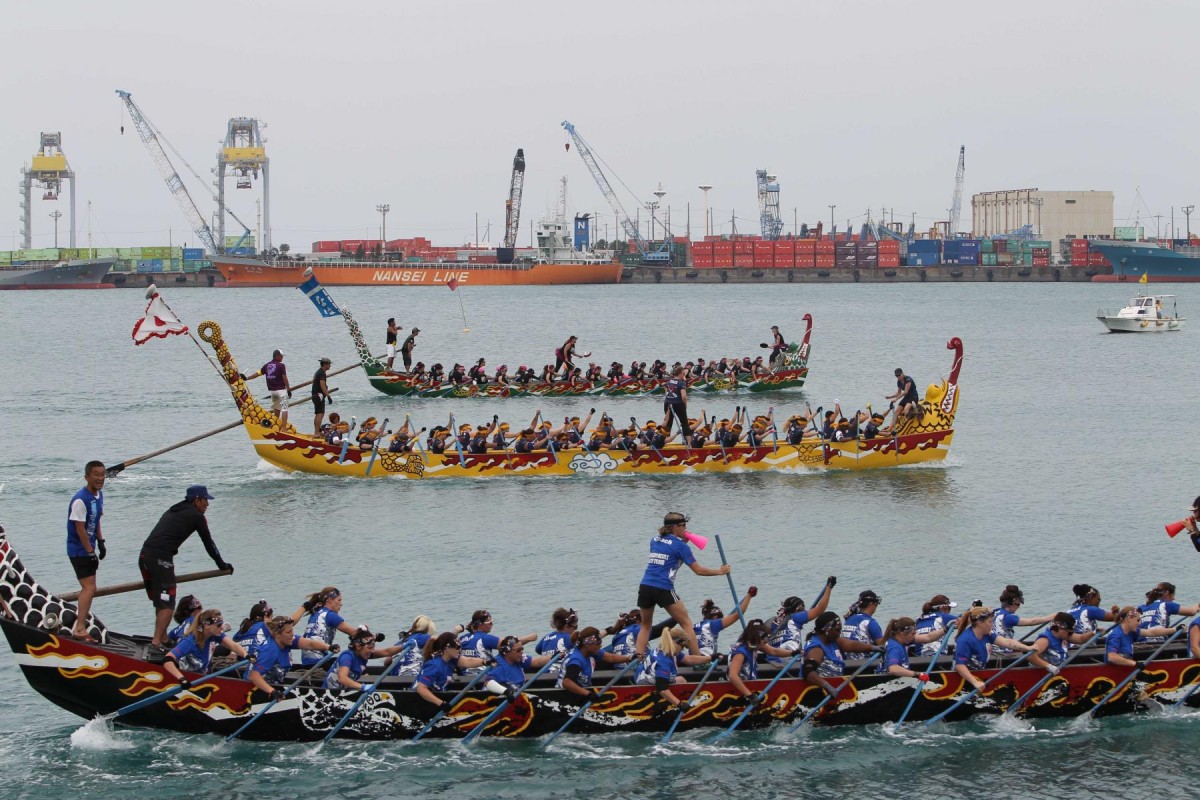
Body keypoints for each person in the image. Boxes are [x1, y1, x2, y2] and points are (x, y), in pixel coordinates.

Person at [141, 486, 232, 650]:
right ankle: (156, 643)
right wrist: (222, 564)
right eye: (205, 500)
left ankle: (162, 637)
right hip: (161, 558)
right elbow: (208, 543)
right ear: (197, 500)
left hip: (145, 555)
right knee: (168, 603)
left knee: (161, 601)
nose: (208, 505)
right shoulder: (196, 515)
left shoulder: (176, 508)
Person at [633, 512, 731, 659]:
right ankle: (699, 659)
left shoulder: (654, 540)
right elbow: (699, 570)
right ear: (675, 527)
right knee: (686, 623)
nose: (686, 529)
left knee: (646, 626)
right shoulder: (681, 547)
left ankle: (638, 658)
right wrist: (720, 571)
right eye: (683, 526)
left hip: (645, 586)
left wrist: (683, 542)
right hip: (663, 588)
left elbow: (669, 550)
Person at [67, 460, 107, 641]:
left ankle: (80, 625)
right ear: (87, 477)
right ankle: (79, 628)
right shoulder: (80, 500)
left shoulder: (99, 496)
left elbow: (96, 519)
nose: (100, 478)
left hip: (89, 546)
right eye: (96, 475)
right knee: (89, 587)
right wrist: (90, 551)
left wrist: (101, 541)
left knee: (90, 587)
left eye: (102, 474)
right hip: (78, 549)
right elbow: (79, 529)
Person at [249, 616, 336, 698]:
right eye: (288, 632)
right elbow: (254, 676)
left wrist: (328, 647)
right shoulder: (270, 651)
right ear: (277, 634)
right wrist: (272, 692)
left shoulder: (287, 640)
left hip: (276, 684)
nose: (292, 634)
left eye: (292, 631)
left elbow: (310, 644)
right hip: (257, 689)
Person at [953, 606, 1034, 692]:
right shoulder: (965, 639)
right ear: (980, 623)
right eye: (990, 622)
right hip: (964, 681)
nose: (992, 624)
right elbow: (960, 666)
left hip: (979, 675)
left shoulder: (987, 634)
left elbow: (1006, 642)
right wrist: (975, 682)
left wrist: (1028, 648)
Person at [801, 612, 880, 698]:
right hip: (818, 693)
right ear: (827, 630)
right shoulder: (816, 648)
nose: (839, 633)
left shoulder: (834, 640)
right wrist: (827, 686)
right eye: (838, 630)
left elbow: (851, 645)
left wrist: (872, 648)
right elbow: (808, 672)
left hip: (835, 687)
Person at [637, 628, 714, 712]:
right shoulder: (663, 662)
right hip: (648, 687)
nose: (683, 649)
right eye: (683, 646)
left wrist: (710, 658)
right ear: (676, 643)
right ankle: (680, 708)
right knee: (678, 683)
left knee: (681, 680)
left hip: (653, 679)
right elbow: (662, 689)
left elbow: (689, 659)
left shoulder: (667, 650)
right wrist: (680, 704)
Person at [163, 608, 247, 681]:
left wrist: (247, 655)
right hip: (190, 678)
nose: (222, 628)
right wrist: (181, 678)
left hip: (204, 675)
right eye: (218, 625)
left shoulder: (215, 635)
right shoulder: (190, 642)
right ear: (206, 625)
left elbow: (234, 646)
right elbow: (167, 660)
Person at [726, 620, 795, 705]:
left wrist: (792, 653)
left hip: (750, 683)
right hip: (740, 690)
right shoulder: (741, 652)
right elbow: (732, 676)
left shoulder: (755, 645)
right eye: (764, 641)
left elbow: (774, 651)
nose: (766, 643)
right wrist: (749, 695)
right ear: (757, 638)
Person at [413, 632, 488, 708]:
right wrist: (441, 704)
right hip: (419, 701)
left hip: (435, 696)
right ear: (447, 648)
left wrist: (485, 662)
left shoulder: (451, 660)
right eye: (458, 647)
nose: (460, 650)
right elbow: (421, 688)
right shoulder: (435, 665)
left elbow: (468, 661)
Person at [558, 626, 632, 703]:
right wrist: (588, 694)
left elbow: (611, 658)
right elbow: (566, 682)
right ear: (587, 644)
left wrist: (630, 658)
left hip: (580, 693)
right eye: (598, 643)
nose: (600, 645)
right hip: (566, 697)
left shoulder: (590, 652)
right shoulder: (576, 660)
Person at [766, 579, 836, 658]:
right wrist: (829, 587)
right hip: (790, 659)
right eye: (803, 608)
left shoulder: (771, 621)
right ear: (797, 609)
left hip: (771, 658)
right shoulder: (796, 617)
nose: (805, 611)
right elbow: (820, 609)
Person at [324, 626, 406, 691]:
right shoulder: (347, 657)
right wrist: (363, 687)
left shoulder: (364, 654)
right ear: (358, 646)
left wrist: (403, 646)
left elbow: (387, 652)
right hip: (330, 693)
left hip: (344, 691)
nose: (372, 651)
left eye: (373, 647)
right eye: (370, 648)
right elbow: (342, 678)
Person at [296, 587, 360, 665]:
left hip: (307, 661)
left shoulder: (315, 613)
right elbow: (354, 632)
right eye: (339, 600)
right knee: (349, 660)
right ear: (329, 600)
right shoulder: (329, 615)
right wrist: (373, 636)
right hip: (317, 663)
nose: (341, 604)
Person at [484, 635, 556, 700]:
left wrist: (554, 657)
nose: (521, 652)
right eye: (518, 650)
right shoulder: (499, 665)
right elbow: (488, 682)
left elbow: (535, 662)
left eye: (522, 649)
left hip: (517, 692)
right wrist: (506, 692)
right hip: (499, 698)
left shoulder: (519, 658)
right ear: (507, 651)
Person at [458, 609, 536, 669]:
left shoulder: (462, 638)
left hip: (465, 675)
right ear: (480, 625)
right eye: (490, 623)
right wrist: (529, 638)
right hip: (481, 675)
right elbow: (510, 644)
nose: (492, 624)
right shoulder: (485, 638)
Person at [991, 585, 1055, 654]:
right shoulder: (1009, 617)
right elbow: (1032, 622)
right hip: (1002, 653)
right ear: (1012, 603)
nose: (1018, 607)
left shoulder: (995, 611)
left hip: (991, 650)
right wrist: (1049, 618)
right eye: (1018, 604)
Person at [693, 589, 756, 657]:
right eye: (720, 618)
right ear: (715, 616)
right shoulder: (713, 624)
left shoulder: (695, 626)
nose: (721, 620)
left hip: (695, 660)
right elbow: (738, 614)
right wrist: (749, 596)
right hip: (705, 661)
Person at [1106, 606, 1177, 667]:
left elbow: (1151, 632)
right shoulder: (1116, 635)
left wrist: (1175, 629)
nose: (1139, 623)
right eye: (1138, 620)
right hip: (1113, 672)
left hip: (1124, 669)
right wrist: (1134, 663)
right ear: (1129, 618)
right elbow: (1111, 657)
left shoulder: (1131, 631)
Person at [243, 349, 292, 430]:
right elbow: (284, 378)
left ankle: (275, 425)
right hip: (281, 391)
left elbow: (258, 374)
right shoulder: (281, 365)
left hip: (273, 392)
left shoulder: (267, 365)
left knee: (276, 408)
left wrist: (247, 378)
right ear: (276, 356)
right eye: (281, 356)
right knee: (284, 409)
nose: (282, 357)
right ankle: (283, 428)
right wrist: (289, 389)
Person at [877, 618, 931, 683]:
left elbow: (928, 637)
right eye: (912, 634)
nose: (914, 637)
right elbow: (893, 669)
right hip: (888, 683)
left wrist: (944, 630)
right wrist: (917, 674)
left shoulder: (896, 641)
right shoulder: (895, 647)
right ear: (902, 633)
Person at [661, 367, 692, 438]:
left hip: (667, 403)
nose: (684, 375)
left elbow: (666, 391)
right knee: (684, 423)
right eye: (683, 374)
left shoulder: (669, 381)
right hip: (678, 404)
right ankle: (689, 443)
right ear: (679, 374)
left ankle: (664, 440)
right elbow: (684, 396)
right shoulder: (682, 383)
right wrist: (685, 405)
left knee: (668, 422)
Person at [312, 357, 332, 435]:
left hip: (315, 395)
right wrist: (328, 396)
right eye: (329, 364)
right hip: (318, 395)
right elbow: (322, 385)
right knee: (320, 413)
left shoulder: (318, 372)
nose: (330, 366)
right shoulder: (321, 373)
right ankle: (317, 432)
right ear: (325, 364)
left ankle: (316, 431)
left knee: (318, 413)